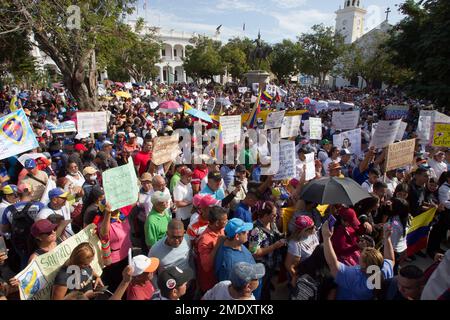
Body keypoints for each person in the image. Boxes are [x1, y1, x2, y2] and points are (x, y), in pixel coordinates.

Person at [322, 219, 395, 300]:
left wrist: (326, 237)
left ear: (363, 265)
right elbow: (390, 259)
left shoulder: (355, 276)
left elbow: (333, 265)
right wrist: (387, 238)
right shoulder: (384, 271)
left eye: (361, 255)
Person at [214, 218, 261, 299]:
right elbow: (233, 293)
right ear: (237, 236)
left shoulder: (238, 244)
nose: (248, 232)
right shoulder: (229, 264)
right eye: (245, 231)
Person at [1, 183, 45, 268]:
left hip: (19, 242)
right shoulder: (39, 205)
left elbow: (4, 230)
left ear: (17, 194)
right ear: (31, 192)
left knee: (24, 262)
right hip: (37, 240)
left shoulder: (8, 210)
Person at [249, 201, 285, 299]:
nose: (276, 216)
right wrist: (274, 246)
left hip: (271, 263)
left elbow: (277, 234)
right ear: (265, 215)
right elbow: (255, 253)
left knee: (266, 286)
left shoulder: (271, 223)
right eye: (274, 215)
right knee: (260, 289)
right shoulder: (256, 230)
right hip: (261, 267)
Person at [97, 203, 132, 293]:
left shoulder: (121, 216)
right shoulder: (103, 223)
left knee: (127, 282)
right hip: (115, 262)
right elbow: (104, 234)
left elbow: (133, 201)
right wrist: (108, 214)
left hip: (127, 255)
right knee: (118, 287)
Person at [285, 216, 320, 287]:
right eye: (311, 227)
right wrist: (297, 279)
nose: (315, 228)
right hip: (304, 275)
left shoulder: (313, 233)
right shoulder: (295, 244)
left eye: (314, 225)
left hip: (314, 271)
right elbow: (288, 265)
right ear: (303, 230)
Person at [387, 198, 411, 274]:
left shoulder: (395, 224)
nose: (390, 204)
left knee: (391, 270)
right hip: (401, 248)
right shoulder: (407, 217)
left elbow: (392, 242)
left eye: (392, 204)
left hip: (393, 250)